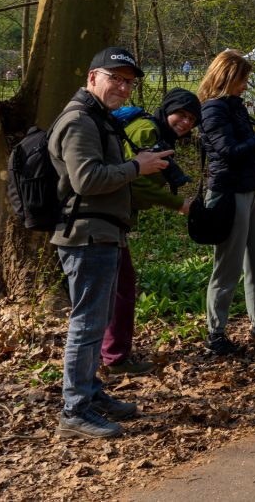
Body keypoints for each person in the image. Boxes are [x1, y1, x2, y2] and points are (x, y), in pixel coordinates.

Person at [49, 47, 174, 439]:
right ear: (92, 78)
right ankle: (75, 409)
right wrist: (138, 167)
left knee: (97, 321)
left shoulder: (98, 119)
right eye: (114, 78)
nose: (122, 87)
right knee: (87, 325)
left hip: (103, 233)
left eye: (128, 82)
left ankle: (90, 393)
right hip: (86, 236)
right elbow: (86, 180)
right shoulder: (79, 120)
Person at [197, 50, 255, 355]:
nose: (246, 85)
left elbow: (250, 151)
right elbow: (230, 152)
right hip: (228, 193)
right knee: (228, 266)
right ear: (227, 77)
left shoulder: (234, 107)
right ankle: (216, 332)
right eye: (243, 79)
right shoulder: (212, 110)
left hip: (252, 190)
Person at [101, 88, 202, 376]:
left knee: (117, 287)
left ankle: (109, 354)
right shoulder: (146, 131)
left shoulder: (158, 133)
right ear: (167, 109)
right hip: (105, 216)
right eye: (181, 114)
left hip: (113, 216)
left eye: (192, 119)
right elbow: (134, 181)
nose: (185, 122)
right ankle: (114, 358)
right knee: (120, 290)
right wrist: (179, 204)